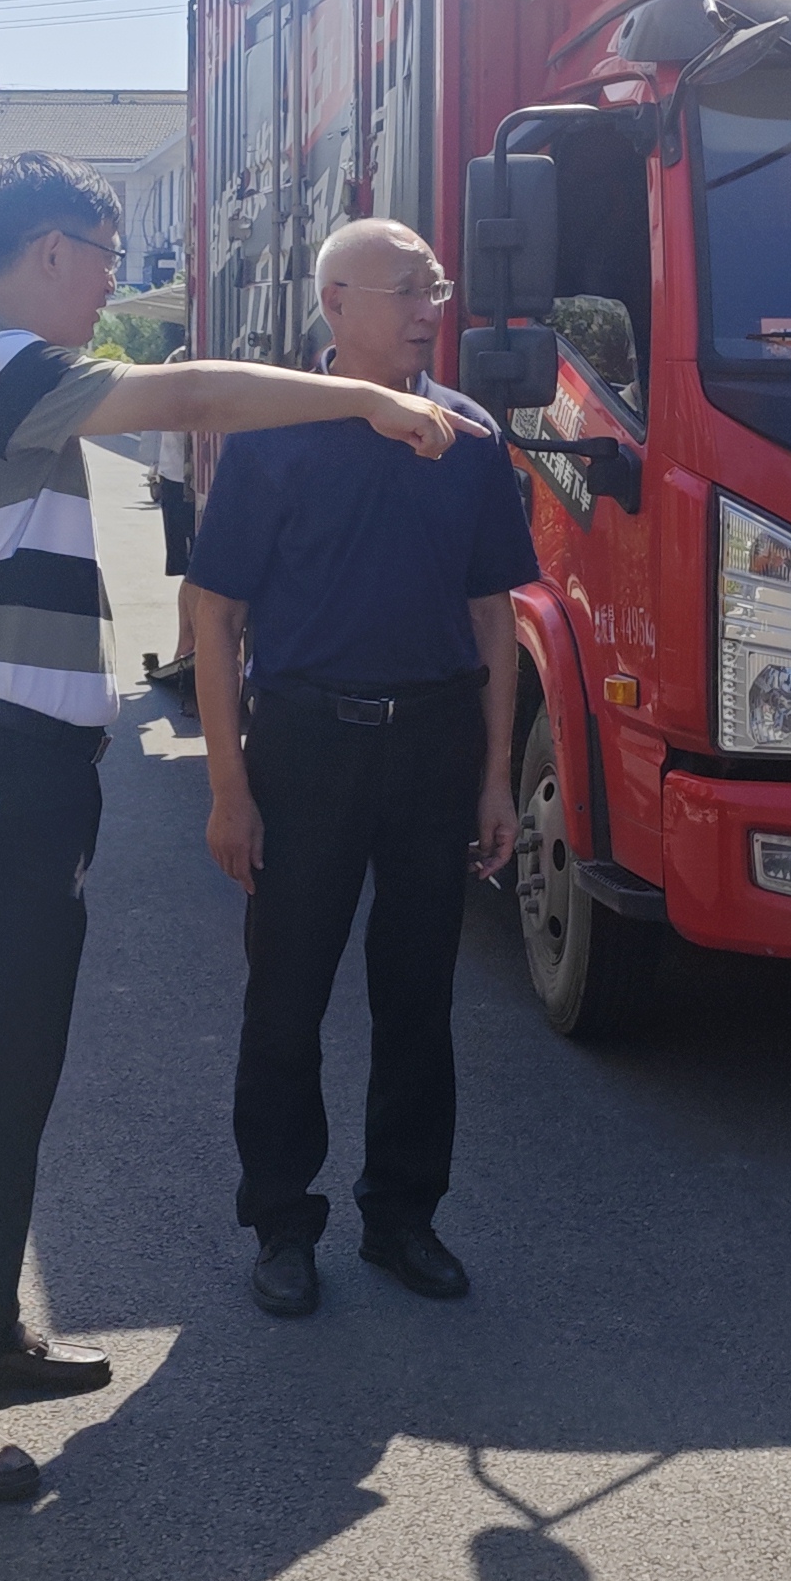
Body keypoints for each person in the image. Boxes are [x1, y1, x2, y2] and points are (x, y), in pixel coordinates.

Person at [0, 153, 480, 1506]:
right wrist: (366, 396)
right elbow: (194, 393)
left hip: (16, 771)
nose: (109, 283)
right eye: (99, 254)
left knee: (14, 1078)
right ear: (44, 252)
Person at [184, 216, 537, 1320]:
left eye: (436, 287)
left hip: (433, 744)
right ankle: (282, 1223)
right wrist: (228, 789)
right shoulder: (273, 432)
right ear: (336, 303)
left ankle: (402, 1218)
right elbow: (214, 616)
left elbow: (493, 615)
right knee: (286, 998)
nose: (431, 309)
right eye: (407, 291)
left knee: (418, 999)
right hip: (306, 744)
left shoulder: (469, 438)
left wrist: (495, 777)